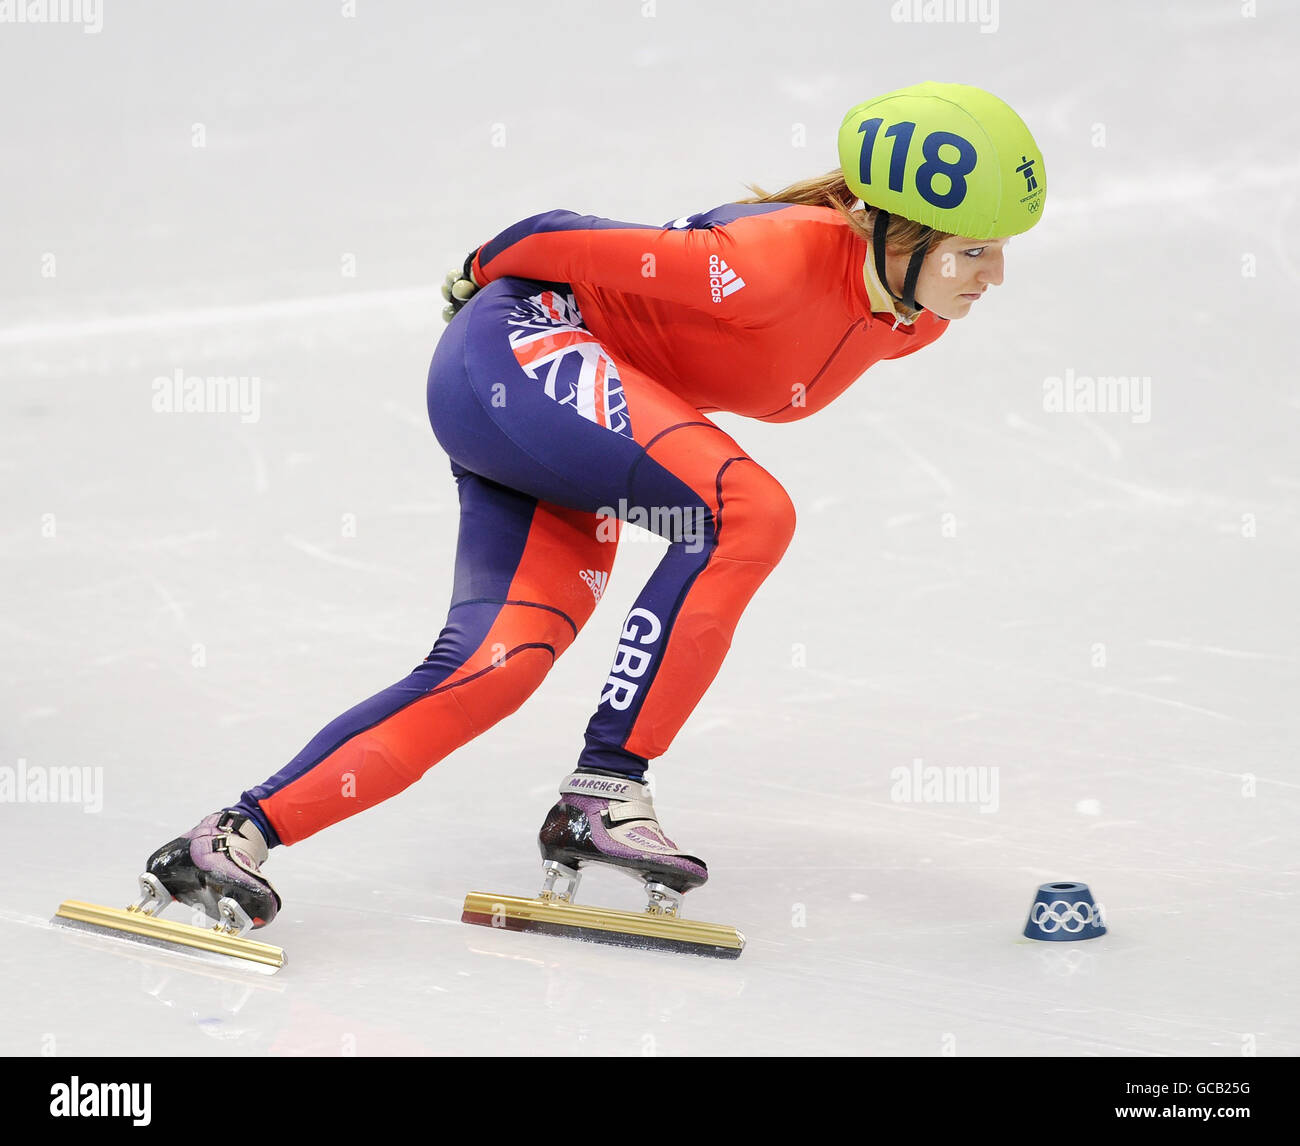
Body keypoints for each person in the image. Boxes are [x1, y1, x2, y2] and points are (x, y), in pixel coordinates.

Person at [143, 81, 1046, 929]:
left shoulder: (913, 320)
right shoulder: (772, 259)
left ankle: (227, 838)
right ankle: (609, 785)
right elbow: (564, 234)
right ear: (888, 226)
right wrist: (476, 272)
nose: (993, 277)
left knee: (502, 662)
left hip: (574, 428)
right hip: (519, 352)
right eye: (973, 250)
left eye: (999, 249)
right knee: (748, 510)